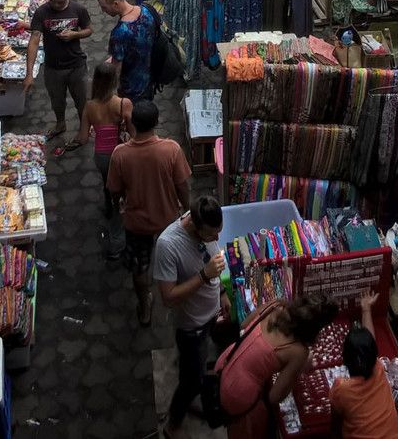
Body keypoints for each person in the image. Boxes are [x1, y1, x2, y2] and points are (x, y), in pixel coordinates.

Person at [107, 100, 191, 324]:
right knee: (175, 260)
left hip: (137, 222)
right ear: (157, 122)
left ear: (132, 122)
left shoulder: (120, 154)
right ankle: (180, 298)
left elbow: (114, 190)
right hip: (168, 219)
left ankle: (144, 308)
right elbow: (182, 185)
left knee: (139, 267)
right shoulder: (171, 149)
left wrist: (120, 204)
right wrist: (187, 209)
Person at [154, 196, 228, 437]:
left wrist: (222, 292)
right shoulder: (168, 245)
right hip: (190, 326)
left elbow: (212, 257)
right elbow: (168, 297)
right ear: (195, 227)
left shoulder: (202, 220)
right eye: (211, 235)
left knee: (197, 359)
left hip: (207, 317)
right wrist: (205, 277)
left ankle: (189, 365)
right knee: (191, 383)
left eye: (219, 233)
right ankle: (172, 424)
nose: (216, 239)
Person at [217, 296, 338, 439]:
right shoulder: (298, 351)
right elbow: (274, 397)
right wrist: (298, 369)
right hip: (238, 392)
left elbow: (244, 325)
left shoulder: (275, 305)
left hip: (225, 362)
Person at [74, 61, 131, 255]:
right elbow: (133, 132)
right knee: (121, 197)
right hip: (120, 157)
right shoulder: (123, 103)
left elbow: (82, 138)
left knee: (109, 185)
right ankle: (117, 242)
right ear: (115, 80)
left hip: (101, 157)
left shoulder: (89, 106)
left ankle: (109, 203)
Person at [25, 0, 92, 140]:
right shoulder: (41, 12)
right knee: (57, 102)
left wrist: (74, 34)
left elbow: (89, 30)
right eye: (52, 1)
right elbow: (34, 41)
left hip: (77, 66)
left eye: (60, 3)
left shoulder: (78, 10)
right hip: (53, 68)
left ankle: (85, 129)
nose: (55, 5)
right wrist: (29, 74)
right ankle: (60, 124)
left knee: (82, 102)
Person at [329, 292, 398, 439]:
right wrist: (366, 309)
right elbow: (369, 343)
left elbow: (335, 423)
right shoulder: (378, 369)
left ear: (345, 359)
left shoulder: (341, 389)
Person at [98, 0, 156, 102]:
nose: (103, 11)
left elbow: (116, 68)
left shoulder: (120, 33)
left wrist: (112, 93)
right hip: (150, 77)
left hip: (131, 88)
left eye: (104, 8)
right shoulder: (147, 10)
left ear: (115, 4)